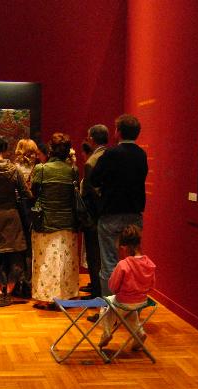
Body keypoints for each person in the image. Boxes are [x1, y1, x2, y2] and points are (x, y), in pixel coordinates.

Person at [90, 114, 148, 298]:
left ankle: (110, 307)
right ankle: (131, 303)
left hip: (111, 213)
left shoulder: (111, 154)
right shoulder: (141, 154)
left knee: (109, 263)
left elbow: (94, 178)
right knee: (134, 261)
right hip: (134, 214)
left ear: (119, 132)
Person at [0, 136, 32, 307]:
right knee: (15, 256)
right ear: (4, 149)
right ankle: (9, 292)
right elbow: (26, 194)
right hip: (13, 217)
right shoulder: (14, 169)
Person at [30, 133, 79, 310]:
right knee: (65, 261)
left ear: (51, 149)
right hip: (67, 221)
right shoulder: (72, 170)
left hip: (45, 221)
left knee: (45, 260)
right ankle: (66, 295)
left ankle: (45, 298)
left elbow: (34, 193)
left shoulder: (41, 169)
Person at [96, 225, 156, 350]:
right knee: (130, 312)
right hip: (141, 301)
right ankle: (139, 333)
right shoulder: (149, 264)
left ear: (123, 248)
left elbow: (113, 286)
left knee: (107, 305)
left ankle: (106, 332)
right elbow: (152, 286)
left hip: (123, 301)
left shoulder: (123, 265)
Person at [80, 124, 109, 300]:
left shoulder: (91, 162)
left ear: (91, 139)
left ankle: (97, 292)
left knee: (94, 256)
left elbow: (91, 193)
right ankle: (101, 289)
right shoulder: (111, 155)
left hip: (95, 217)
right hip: (109, 213)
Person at [12, 138, 39, 298]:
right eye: (32, 152)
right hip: (30, 209)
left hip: (17, 209)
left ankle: (18, 283)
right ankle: (28, 283)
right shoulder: (37, 168)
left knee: (19, 248)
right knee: (29, 248)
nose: (34, 155)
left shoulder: (14, 168)